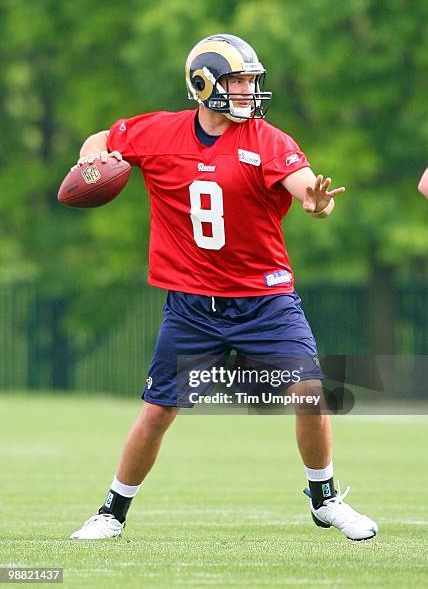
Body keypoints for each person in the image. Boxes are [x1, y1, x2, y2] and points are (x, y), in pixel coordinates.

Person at [70, 34, 377, 541]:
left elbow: (305, 188)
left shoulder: (267, 139)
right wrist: (90, 164)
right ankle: (111, 512)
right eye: (238, 82)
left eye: (251, 81)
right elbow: (102, 138)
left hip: (265, 300)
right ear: (203, 84)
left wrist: (318, 203)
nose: (249, 91)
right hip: (191, 304)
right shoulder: (160, 132)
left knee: (310, 391)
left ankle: (324, 499)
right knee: (157, 410)